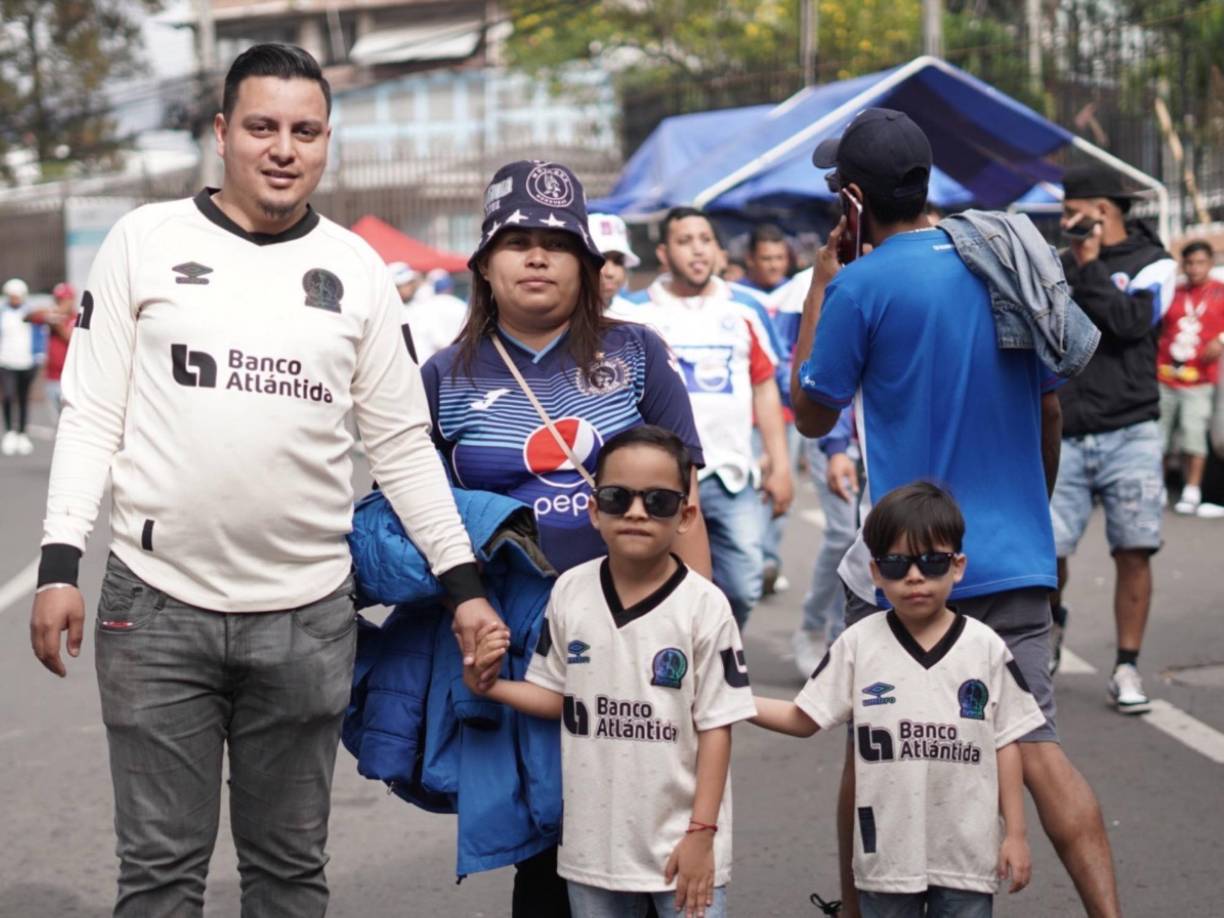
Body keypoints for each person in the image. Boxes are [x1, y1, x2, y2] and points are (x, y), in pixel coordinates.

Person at [28, 43, 501, 918]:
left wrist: (463, 586)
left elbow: (400, 447)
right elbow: (92, 416)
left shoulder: (358, 270)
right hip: (156, 611)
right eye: (262, 127)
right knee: (160, 877)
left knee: (288, 878)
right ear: (221, 135)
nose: (283, 148)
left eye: (305, 131)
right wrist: (60, 565)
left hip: (307, 619)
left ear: (326, 144)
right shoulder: (145, 241)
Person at [789, 108, 1120, 918]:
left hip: (905, 564)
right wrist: (1022, 515)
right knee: (1035, 747)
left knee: (869, 751)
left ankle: (858, 908)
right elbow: (1049, 414)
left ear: (856, 201)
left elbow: (809, 412)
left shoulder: (861, 284)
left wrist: (819, 288)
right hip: (1009, 555)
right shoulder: (1005, 259)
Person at [421, 159, 711, 916]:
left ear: (586, 264)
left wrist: (707, 633)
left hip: (637, 640)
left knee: (652, 830)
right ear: (485, 264)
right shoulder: (440, 375)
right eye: (516, 240)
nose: (538, 256)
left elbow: (688, 510)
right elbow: (417, 512)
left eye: (557, 241)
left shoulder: (639, 355)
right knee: (546, 842)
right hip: (512, 643)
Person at [464, 426, 756, 918]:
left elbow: (716, 728)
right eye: (618, 497)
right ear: (594, 509)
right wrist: (491, 688)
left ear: (685, 515)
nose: (637, 512)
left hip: (682, 845)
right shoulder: (570, 592)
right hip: (593, 850)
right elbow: (557, 695)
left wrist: (703, 835)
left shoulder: (705, 607)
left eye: (658, 501)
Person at [752, 483, 1041, 918]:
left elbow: (1007, 742)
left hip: (966, 854)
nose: (914, 576)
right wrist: (732, 701)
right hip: (885, 856)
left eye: (932, 561)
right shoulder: (858, 644)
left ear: (957, 566)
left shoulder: (985, 648)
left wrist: (1015, 834)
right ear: (874, 572)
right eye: (896, 563)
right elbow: (802, 717)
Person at [615, 206, 793, 629]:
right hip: (662, 483)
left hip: (732, 474)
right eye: (684, 241)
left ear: (717, 249)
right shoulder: (634, 314)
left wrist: (780, 463)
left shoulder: (746, 309)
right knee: (666, 586)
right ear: (663, 253)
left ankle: (716, 658)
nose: (697, 250)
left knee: (744, 583)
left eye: (705, 240)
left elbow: (764, 385)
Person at [1048, 163, 1178, 712]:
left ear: (1099, 211)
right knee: (1046, 550)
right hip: (1069, 431)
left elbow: (1127, 324)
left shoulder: (1156, 266)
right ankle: (1049, 629)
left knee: (1134, 548)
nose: (1063, 223)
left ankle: (1126, 665)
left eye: (1069, 212)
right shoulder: (1057, 266)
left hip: (1131, 430)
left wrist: (1093, 266)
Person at [735, 224, 800, 596]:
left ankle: (767, 561)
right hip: (746, 414)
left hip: (787, 415)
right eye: (766, 258)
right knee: (748, 489)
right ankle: (750, 559)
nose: (774, 265)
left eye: (780, 258)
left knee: (780, 487)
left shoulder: (798, 294)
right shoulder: (737, 299)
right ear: (751, 260)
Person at [1157, 240, 1224, 513]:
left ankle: (1192, 490)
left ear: (1210, 263)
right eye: (1190, 263)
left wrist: (1221, 339)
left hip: (1200, 378)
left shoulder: (1220, 292)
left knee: (1193, 436)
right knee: (1159, 437)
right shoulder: (1173, 291)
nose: (1195, 268)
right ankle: (1157, 488)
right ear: (1183, 264)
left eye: (1201, 262)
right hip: (1164, 374)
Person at [392, 260, 468, 364]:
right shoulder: (389, 313)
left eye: (410, 282)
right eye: (404, 284)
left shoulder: (424, 307)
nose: (409, 287)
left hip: (427, 368)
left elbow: (439, 342)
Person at [1, 277, 41, 456]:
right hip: (6, 361)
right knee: (8, 395)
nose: (15, 299)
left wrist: (39, 356)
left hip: (26, 361)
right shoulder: (2, 312)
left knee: (24, 397)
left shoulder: (31, 313)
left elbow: (39, 334)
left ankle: (22, 433)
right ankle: (10, 431)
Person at [29, 281, 78, 421]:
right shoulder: (52, 316)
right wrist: (49, 314)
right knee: (56, 422)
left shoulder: (79, 318)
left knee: (71, 423)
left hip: (71, 377)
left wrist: (59, 326)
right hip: (52, 377)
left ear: (71, 299)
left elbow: (72, 340)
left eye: (63, 299)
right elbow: (28, 316)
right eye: (57, 299)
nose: (60, 302)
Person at [588, 211, 641, 310]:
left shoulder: (637, 319)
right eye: (599, 260)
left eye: (618, 261)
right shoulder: (555, 320)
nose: (610, 272)